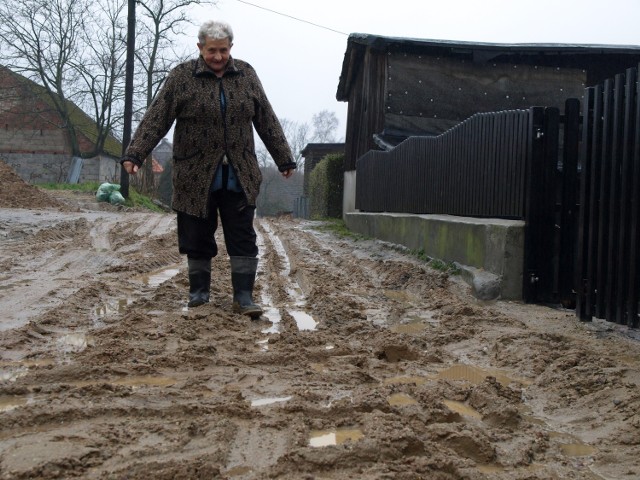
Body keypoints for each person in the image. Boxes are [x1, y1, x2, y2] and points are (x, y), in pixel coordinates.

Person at [120, 20, 296, 318]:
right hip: (194, 175)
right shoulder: (182, 77)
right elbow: (157, 117)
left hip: (239, 174)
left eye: (223, 50)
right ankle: (199, 294)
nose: (218, 57)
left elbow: (265, 116)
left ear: (231, 48)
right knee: (197, 235)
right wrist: (135, 154)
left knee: (242, 236)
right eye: (212, 50)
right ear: (200, 47)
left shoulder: (246, 75)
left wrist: (284, 157)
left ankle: (243, 297)